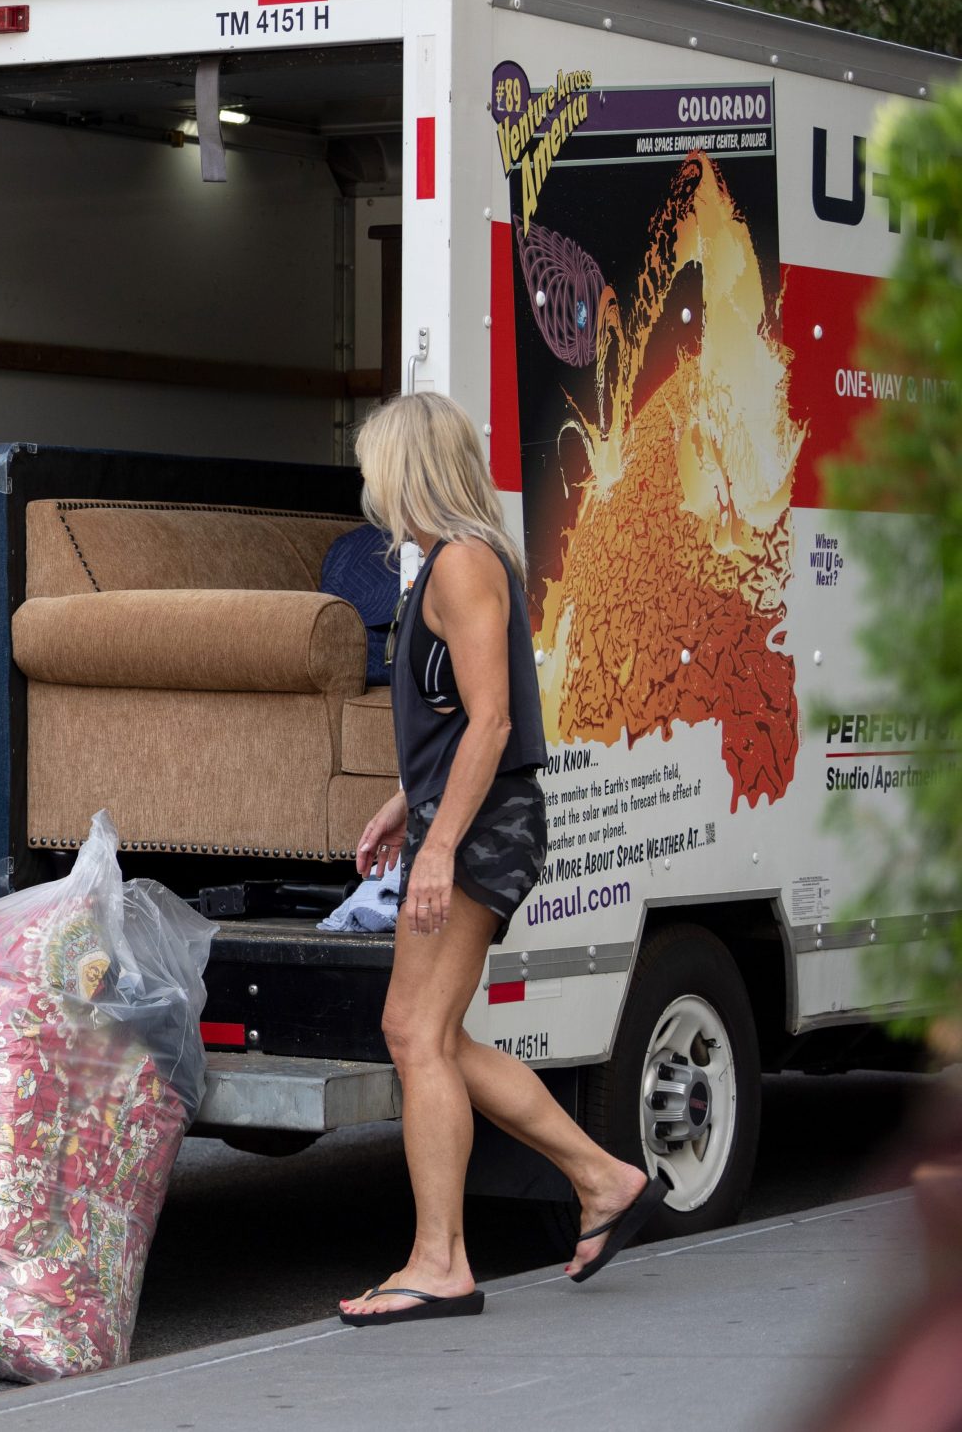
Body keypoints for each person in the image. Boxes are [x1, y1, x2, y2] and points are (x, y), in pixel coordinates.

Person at [337, 392, 664, 1328]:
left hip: (484, 829)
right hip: (467, 818)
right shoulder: (448, 564)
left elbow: (495, 720)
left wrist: (439, 846)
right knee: (430, 1034)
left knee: (415, 1034)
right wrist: (406, 805)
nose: (369, 484)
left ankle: (441, 1261)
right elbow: (457, 719)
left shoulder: (464, 564)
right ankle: (601, 1180)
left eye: (375, 464)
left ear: (409, 468)